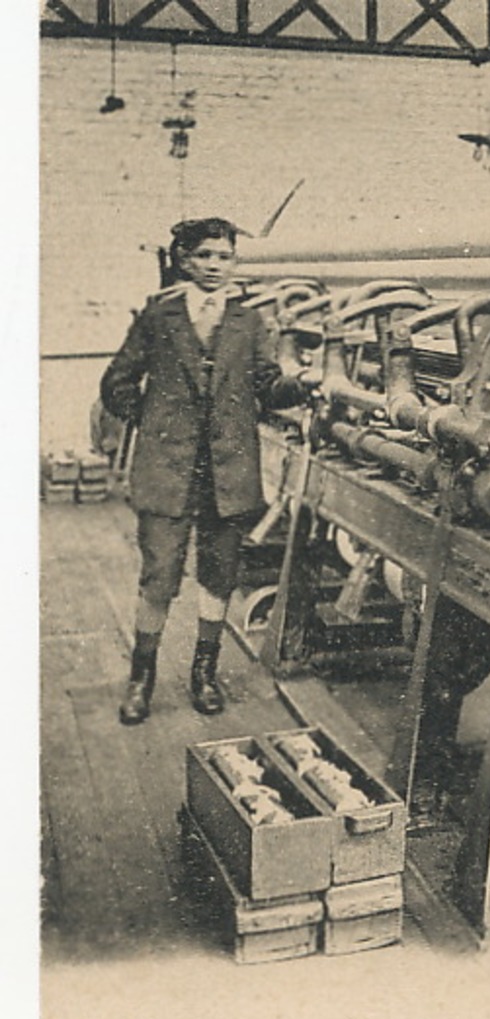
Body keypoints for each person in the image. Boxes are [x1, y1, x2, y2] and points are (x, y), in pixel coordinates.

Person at [100, 217, 310, 725]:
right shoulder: (159, 316)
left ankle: (204, 674)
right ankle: (141, 679)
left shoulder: (249, 322)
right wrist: (154, 424)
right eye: (205, 256)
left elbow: (266, 386)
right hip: (166, 473)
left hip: (228, 474)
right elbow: (117, 383)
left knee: (218, 576)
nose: (215, 266)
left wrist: (303, 383)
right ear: (184, 260)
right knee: (159, 578)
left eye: (225, 257)